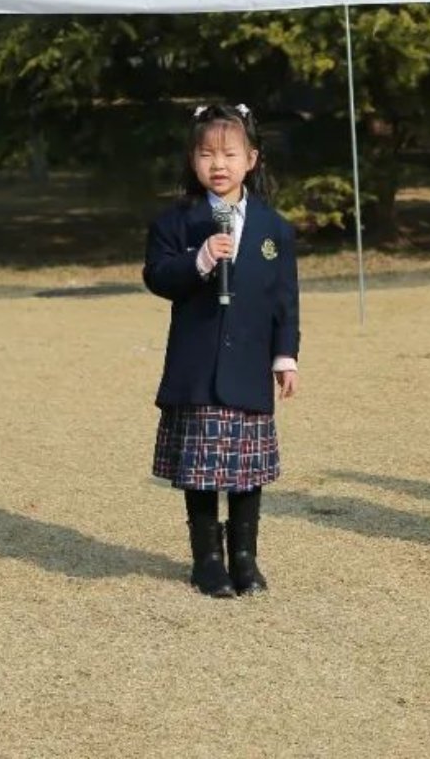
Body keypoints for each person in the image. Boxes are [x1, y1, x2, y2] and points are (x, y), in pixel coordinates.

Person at [143, 103, 300, 598]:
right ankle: (207, 560)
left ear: (251, 159)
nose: (218, 164)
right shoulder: (176, 222)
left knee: (247, 469)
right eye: (207, 154)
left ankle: (246, 558)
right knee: (202, 468)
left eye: (230, 154)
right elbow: (157, 276)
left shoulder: (274, 228)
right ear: (192, 160)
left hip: (249, 364)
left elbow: (285, 298)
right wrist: (201, 258)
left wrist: (285, 355)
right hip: (197, 365)